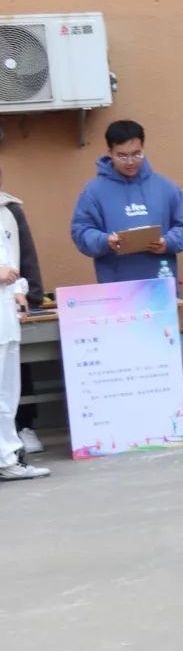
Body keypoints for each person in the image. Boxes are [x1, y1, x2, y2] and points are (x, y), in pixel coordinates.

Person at [71, 120, 183, 284]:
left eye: (136, 154)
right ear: (110, 153)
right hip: (116, 286)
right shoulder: (93, 192)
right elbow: (81, 231)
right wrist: (105, 241)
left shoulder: (166, 187)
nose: (130, 162)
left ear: (143, 149)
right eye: (122, 156)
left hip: (161, 284)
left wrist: (167, 243)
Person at [0, 173, 49, 481]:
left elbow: (13, 257)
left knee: (8, 392)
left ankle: (8, 457)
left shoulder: (7, 210)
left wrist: (21, 291)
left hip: (6, 313)